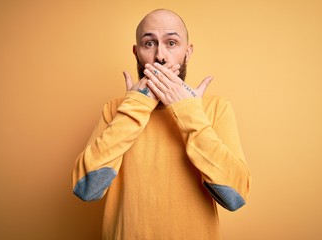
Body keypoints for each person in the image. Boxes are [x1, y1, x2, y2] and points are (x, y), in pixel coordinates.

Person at [72, 9, 251, 240]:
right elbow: (86, 189)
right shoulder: (115, 109)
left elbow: (235, 197)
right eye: (149, 44)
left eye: (172, 42)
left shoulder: (216, 109)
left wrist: (188, 112)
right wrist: (134, 107)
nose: (160, 56)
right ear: (137, 53)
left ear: (188, 53)